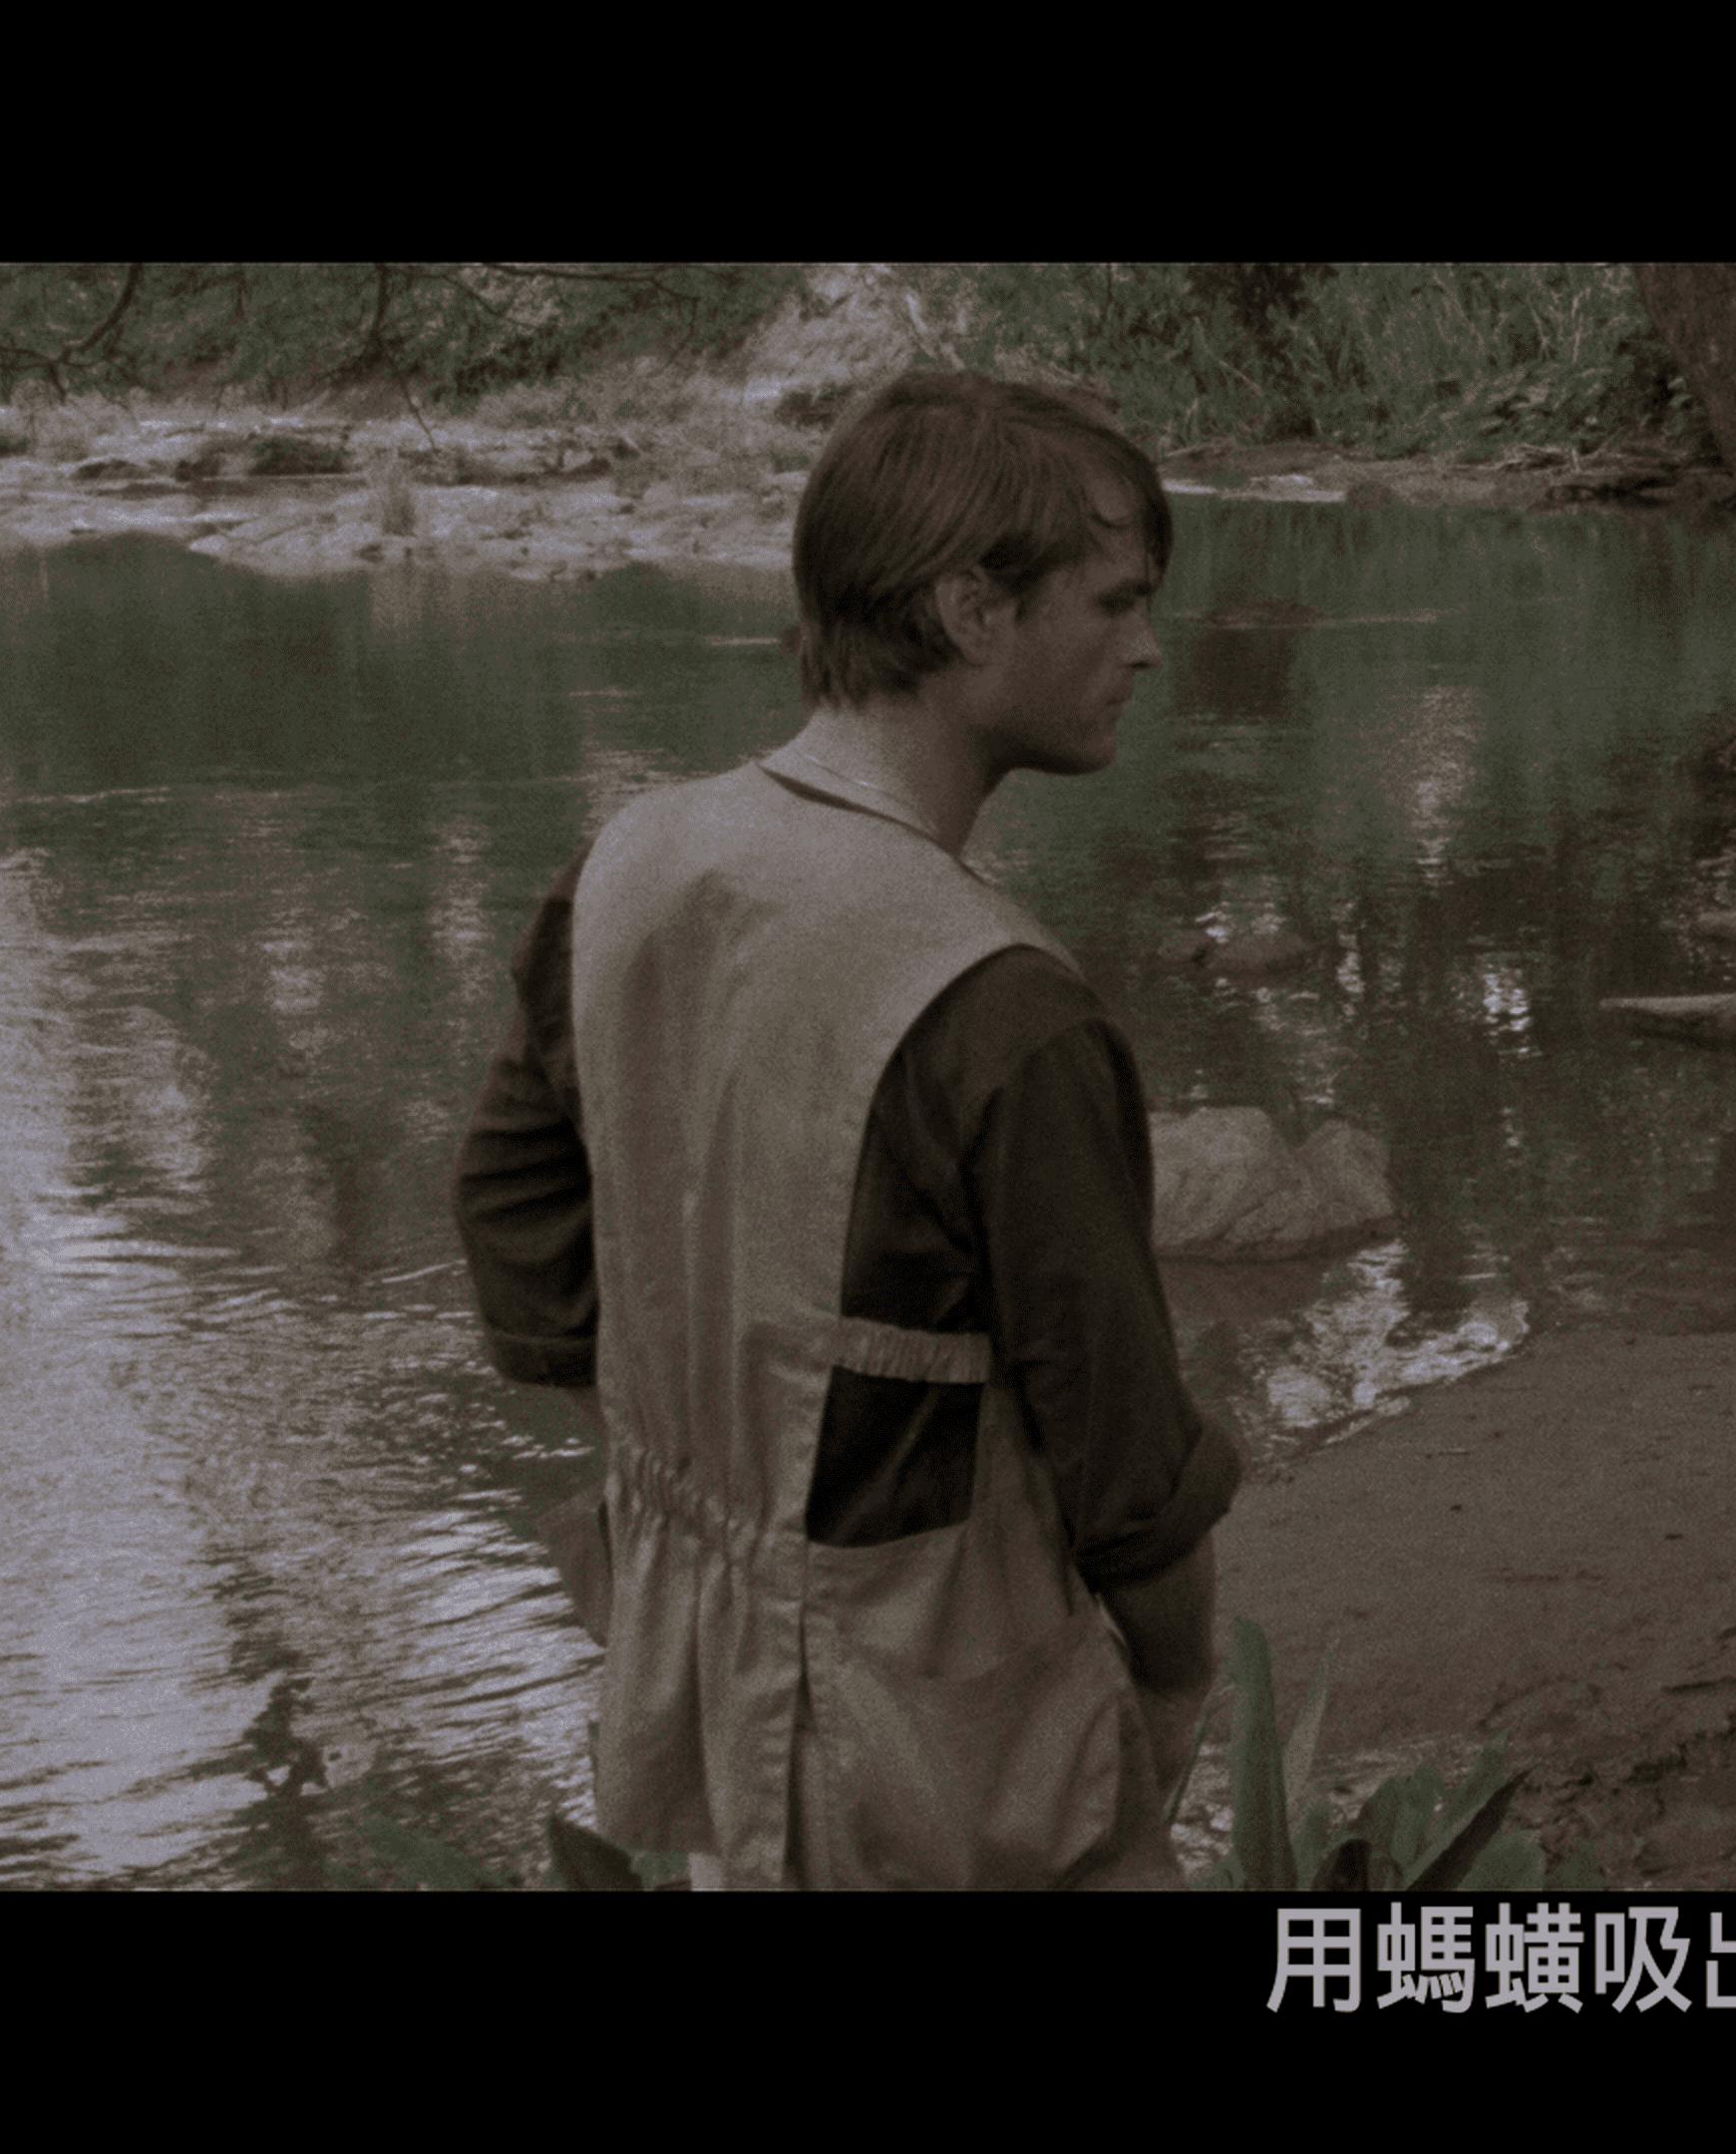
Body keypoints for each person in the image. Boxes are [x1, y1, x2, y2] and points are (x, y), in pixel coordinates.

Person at [452, 372, 1239, 1889]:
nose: (1147, 645)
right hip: (942, 1737)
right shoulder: (1003, 1006)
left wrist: (688, 1472)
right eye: (1116, 601)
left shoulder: (625, 863)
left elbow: (510, 1211)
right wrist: (1176, 1677)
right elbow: (1130, 1469)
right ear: (971, 611)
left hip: (697, 1675)